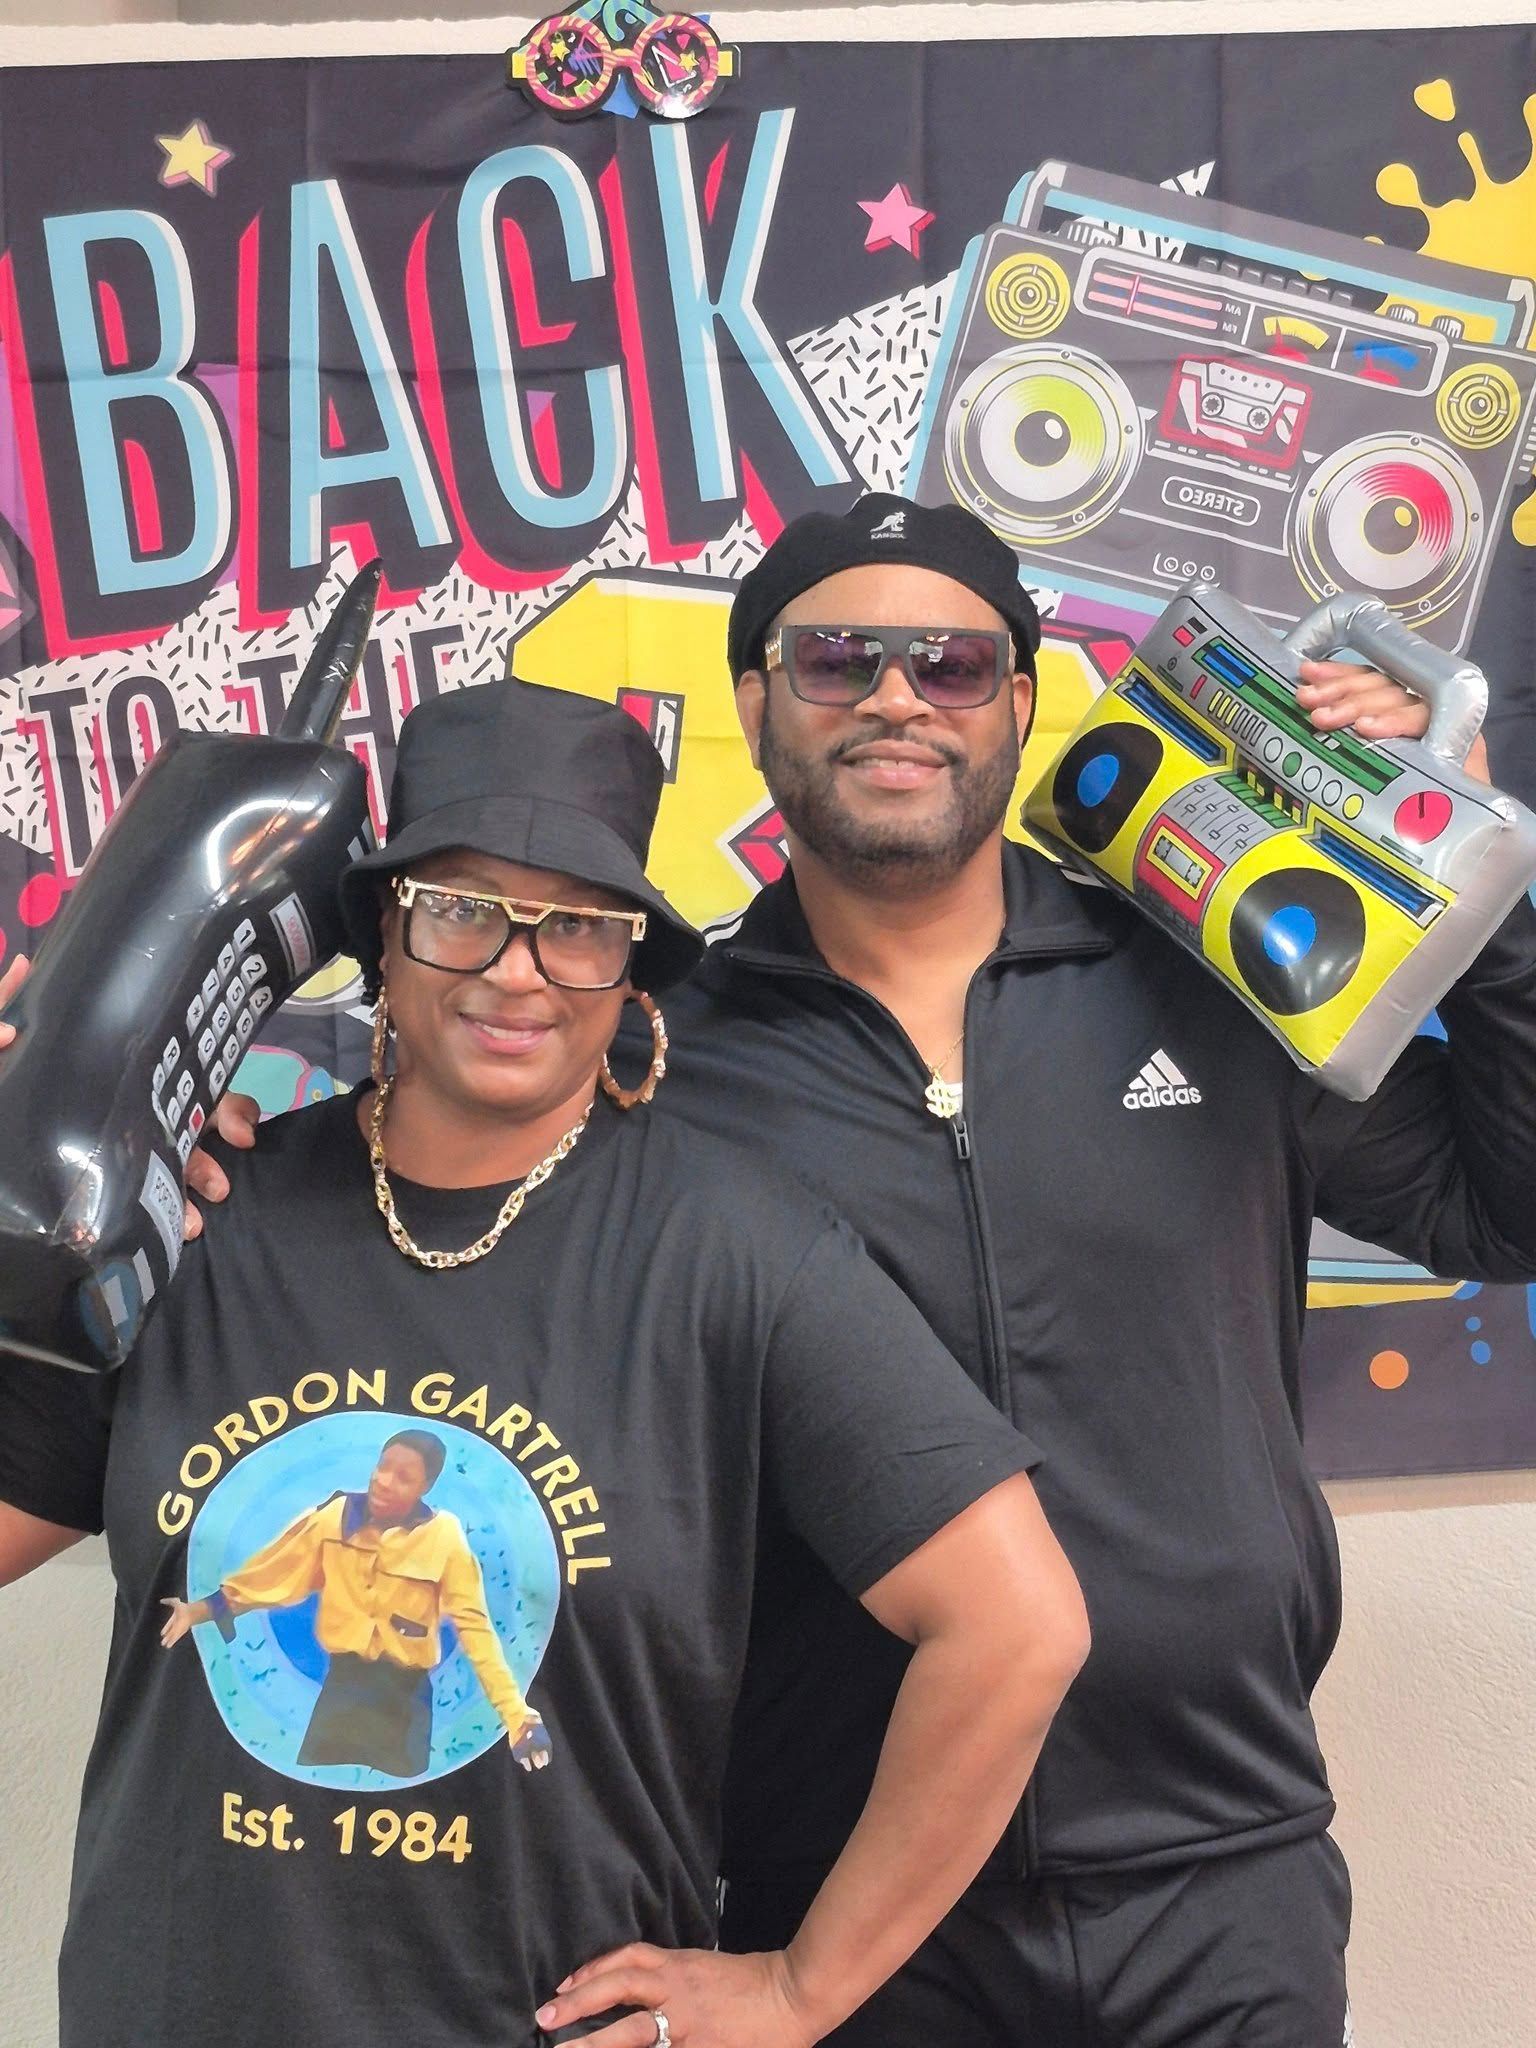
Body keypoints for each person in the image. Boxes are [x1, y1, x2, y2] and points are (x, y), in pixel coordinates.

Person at [99, 492, 1536, 2042]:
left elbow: (1502, 1212)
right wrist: (202, 1155)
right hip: (838, 1899)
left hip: (1217, 1870)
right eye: (841, 659)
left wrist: (1480, 873)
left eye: (954, 664)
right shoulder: (659, 1056)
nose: (899, 698)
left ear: (1024, 703)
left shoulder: (1214, 988)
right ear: (756, 703)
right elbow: (433, 1242)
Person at [0, 677, 1091, 2048]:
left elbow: (1018, 1627)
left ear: (629, 966)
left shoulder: (735, 1251)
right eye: (462, 909)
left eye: (577, 925)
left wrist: (799, 1991)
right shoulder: (204, 1221)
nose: (519, 970)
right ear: (381, 939)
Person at [159, 1425, 553, 1778]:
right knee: (315, 1797)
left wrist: (518, 1718)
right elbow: (274, 1574)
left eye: (403, 1477)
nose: (383, 1481)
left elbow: (476, 1631)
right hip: (342, 1693)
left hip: (404, 1702)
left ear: (426, 1486)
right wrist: (200, 1610)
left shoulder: (444, 1537)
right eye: (382, 1467)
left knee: (406, 1796)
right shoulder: (334, 1517)